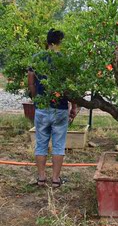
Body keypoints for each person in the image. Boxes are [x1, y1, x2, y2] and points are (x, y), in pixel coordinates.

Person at [28, 28, 77, 187]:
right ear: (59, 42)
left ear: (47, 42)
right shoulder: (65, 60)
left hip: (42, 108)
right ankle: (56, 180)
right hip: (60, 108)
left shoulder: (36, 58)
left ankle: (41, 178)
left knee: (41, 143)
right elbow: (70, 88)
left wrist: (37, 100)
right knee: (58, 145)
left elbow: (31, 84)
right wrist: (73, 106)